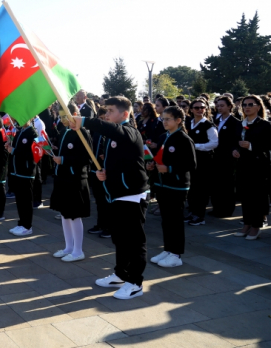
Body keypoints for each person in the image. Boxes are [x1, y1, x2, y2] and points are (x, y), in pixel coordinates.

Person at [70, 96, 149, 300]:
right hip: (117, 194)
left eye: (111, 110)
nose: (107, 114)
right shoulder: (115, 136)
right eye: (106, 111)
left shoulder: (128, 132)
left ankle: (135, 283)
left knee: (134, 241)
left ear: (124, 114)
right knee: (120, 239)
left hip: (132, 195)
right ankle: (121, 274)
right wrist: (105, 173)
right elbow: (119, 163)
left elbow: (112, 130)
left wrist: (85, 120)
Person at [147, 105, 196, 268]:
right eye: (163, 118)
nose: (164, 121)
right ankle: (168, 249)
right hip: (162, 184)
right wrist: (153, 165)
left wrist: (170, 169)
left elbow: (191, 164)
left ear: (178, 120)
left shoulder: (183, 139)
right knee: (166, 220)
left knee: (175, 220)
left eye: (168, 119)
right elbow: (159, 158)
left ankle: (176, 254)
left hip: (177, 186)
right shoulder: (163, 137)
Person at [50, 101, 92, 258]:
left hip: (75, 178)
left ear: (75, 115)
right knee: (64, 214)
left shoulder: (82, 132)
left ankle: (78, 250)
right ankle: (68, 247)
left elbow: (86, 158)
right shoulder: (64, 131)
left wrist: (64, 160)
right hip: (62, 177)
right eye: (60, 116)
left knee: (74, 215)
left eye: (65, 116)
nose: (62, 120)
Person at [232, 95, 270, 240]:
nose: (247, 107)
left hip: (258, 166)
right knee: (245, 196)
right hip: (243, 164)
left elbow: (268, 146)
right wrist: (234, 149)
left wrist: (251, 146)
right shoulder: (240, 124)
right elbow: (235, 141)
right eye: (244, 105)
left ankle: (256, 226)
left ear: (258, 107)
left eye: (250, 104)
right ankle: (246, 223)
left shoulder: (265, 125)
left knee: (257, 196)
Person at [184, 98, 218, 226]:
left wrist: (196, 146)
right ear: (191, 110)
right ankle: (192, 212)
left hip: (204, 161)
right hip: (190, 161)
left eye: (202, 107)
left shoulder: (208, 125)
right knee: (192, 188)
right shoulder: (188, 123)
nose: (200, 110)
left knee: (201, 189)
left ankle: (200, 215)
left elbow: (214, 143)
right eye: (197, 107)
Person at [7, 118, 39, 237]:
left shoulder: (32, 133)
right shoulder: (20, 131)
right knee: (20, 199)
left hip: (26, 172)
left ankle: (27, 226)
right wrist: (9, 146)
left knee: (26, 200)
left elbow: (31, 154)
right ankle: (21, 223)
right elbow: (16, 148)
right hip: (17, 171)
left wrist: (14, 150)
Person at [210, 96, 241, 217]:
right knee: (216, 183)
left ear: (230, 106)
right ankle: (216, 207)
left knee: (226, 184)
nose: (219, 108)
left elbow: (236, 139)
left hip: (227, 157)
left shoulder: (235, 122)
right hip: (215, 156)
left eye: (222, 105)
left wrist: (235, 150)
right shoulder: (215, 120)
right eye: (218, 105)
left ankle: (227, 209)